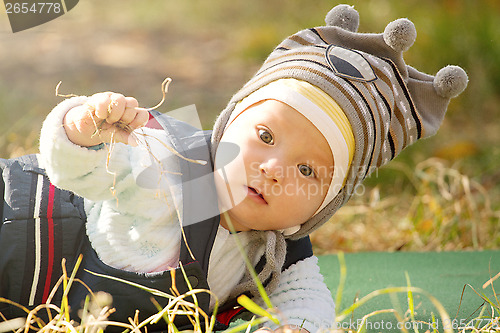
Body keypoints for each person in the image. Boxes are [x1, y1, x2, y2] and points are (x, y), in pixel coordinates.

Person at [0, 4, 467, 332]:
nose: (273, 170)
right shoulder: (179, 162)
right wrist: (84, 125)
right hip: (15, 222)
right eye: (265, 137)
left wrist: (294, 328)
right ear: (228, 125)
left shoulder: (276, 252)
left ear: (327, 204)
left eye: (308, 172)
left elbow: (307, 302)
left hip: (32, 304)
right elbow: (74, 171)